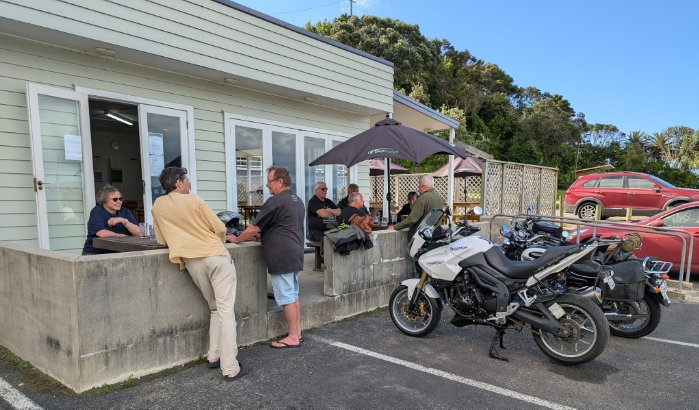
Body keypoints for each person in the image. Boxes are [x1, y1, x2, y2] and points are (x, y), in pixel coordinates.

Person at [150, 166, 244, 380]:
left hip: (192, 262)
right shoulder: (194, 200)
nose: (189, 183)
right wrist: (218, 240)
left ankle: (214, 356)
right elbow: (220, 228)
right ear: (178, 183)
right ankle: (230, 367)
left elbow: (162, 239)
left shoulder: (158, 205)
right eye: (187, 180)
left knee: (215, 309)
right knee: (226, 311)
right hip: (215, 256)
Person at [229, 166, 305, 349]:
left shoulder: (275, 201)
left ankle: (293, 337)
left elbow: (253, 228)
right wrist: (265, 236)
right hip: (295, 252)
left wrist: (237, 239)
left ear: (280, 181)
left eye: (270, 181)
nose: (267, 185)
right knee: (293, 295)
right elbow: (284, 226)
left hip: (282, 255)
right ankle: (297, 333)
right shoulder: (297, 200)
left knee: (286, 297)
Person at [82, 185, 140, 255]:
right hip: (96, 253)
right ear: (105, 200)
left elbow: (138, 232)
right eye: (115, 199)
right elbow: (101, 233)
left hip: (120, 252)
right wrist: (121, 236)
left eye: (120, 199)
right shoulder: (97, 211)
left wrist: (124, 221)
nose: (119, 201)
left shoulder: (126, 212)